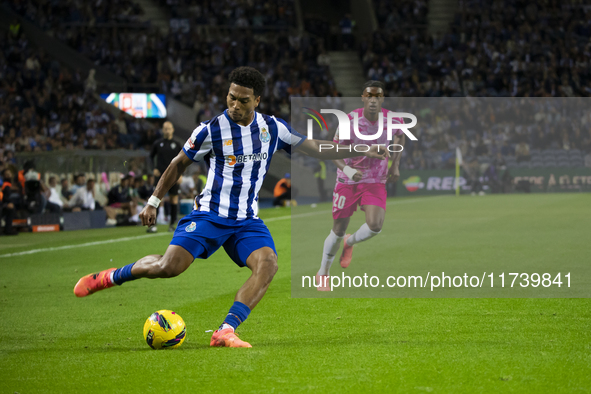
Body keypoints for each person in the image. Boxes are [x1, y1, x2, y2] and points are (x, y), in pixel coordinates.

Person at [73, 67, 388, 348]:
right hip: (210, 215)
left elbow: (316, 148)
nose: (235, 105)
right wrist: (154, 200)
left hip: (246, 222)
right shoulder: (210, 130)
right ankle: (113, 276)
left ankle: (225, 331)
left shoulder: (272, 129)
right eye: (231, 98)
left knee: (269, 265)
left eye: (243, 100)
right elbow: (178, 163)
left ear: (257, 100)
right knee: (168, 268)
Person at [316, 81, 405, 291]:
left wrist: (395, 164)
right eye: (369, 96)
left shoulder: (393, 120)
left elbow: (400, 135)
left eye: (378, 96)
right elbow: (333, 151)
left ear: (382, 99)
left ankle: (350, 242)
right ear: (363, 97)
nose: (373, 100)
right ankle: (323, 272)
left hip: (375, 179)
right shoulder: (349, 121)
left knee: (375, 226)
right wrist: (347, 171)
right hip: (348, 180)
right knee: (337, 230)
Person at [148, 121, 183, 233]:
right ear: (163, 130)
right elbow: (150, 157)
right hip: (160, 176)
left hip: (173, 176)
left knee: (174, 199)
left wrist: (180, 174)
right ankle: (153, 225)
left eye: (169, 128)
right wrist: (153, 168)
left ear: (172, 130)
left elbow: (183, 161)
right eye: (165, 128)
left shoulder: (177, 145)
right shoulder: (157, 144)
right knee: (156, 199)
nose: (167, 130)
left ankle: (172, 224)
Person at [1, 168, 18, 235]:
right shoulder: (4, 185)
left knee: (11, 209)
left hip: (5, 203)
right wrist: (8, 203)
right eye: (6, 174)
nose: (9, 175)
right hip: (2, 204)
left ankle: (8, 230)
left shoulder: (10, 184)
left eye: (9, 174)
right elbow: (4, 196)